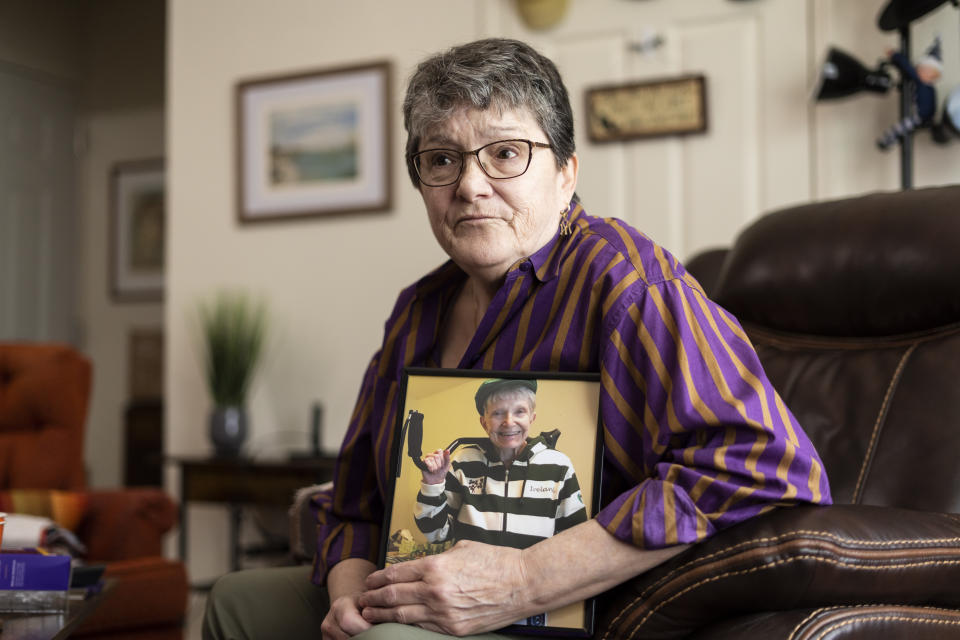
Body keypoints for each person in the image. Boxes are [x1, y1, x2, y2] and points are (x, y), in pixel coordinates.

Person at [203, 38, 831, 640]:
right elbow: (355, 504)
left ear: (565, 174)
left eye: (506, 154)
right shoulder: (417, 310)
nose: (470, 186)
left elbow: (762, 463)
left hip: (564, 612)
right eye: (442, 159)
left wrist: (524, 579)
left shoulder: (629, 285)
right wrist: (350, 595)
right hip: (416, 586)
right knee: (236, 604)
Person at [414, 378, 587, 549]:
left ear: (531, 418)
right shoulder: (462, 462)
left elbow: (574, 539)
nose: (509, 422)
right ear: (484, 423)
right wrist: (433, 485)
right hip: (471, 574)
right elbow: (437, 534)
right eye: (497, 413)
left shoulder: (559, 465)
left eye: (519, 411)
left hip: (531, 576)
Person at [877, 36, 942, 150]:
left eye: (926, 70)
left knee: (902, 127)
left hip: (920, 117)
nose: (920, 72)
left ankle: (888, 141)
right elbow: (907, 69)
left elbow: (906, 66)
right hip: (922, 118)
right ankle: (891, 140)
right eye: (920, 69)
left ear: (934, 76)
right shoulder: (925, 86)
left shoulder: (925, 85)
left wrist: (894, 55)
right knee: (904, 127)